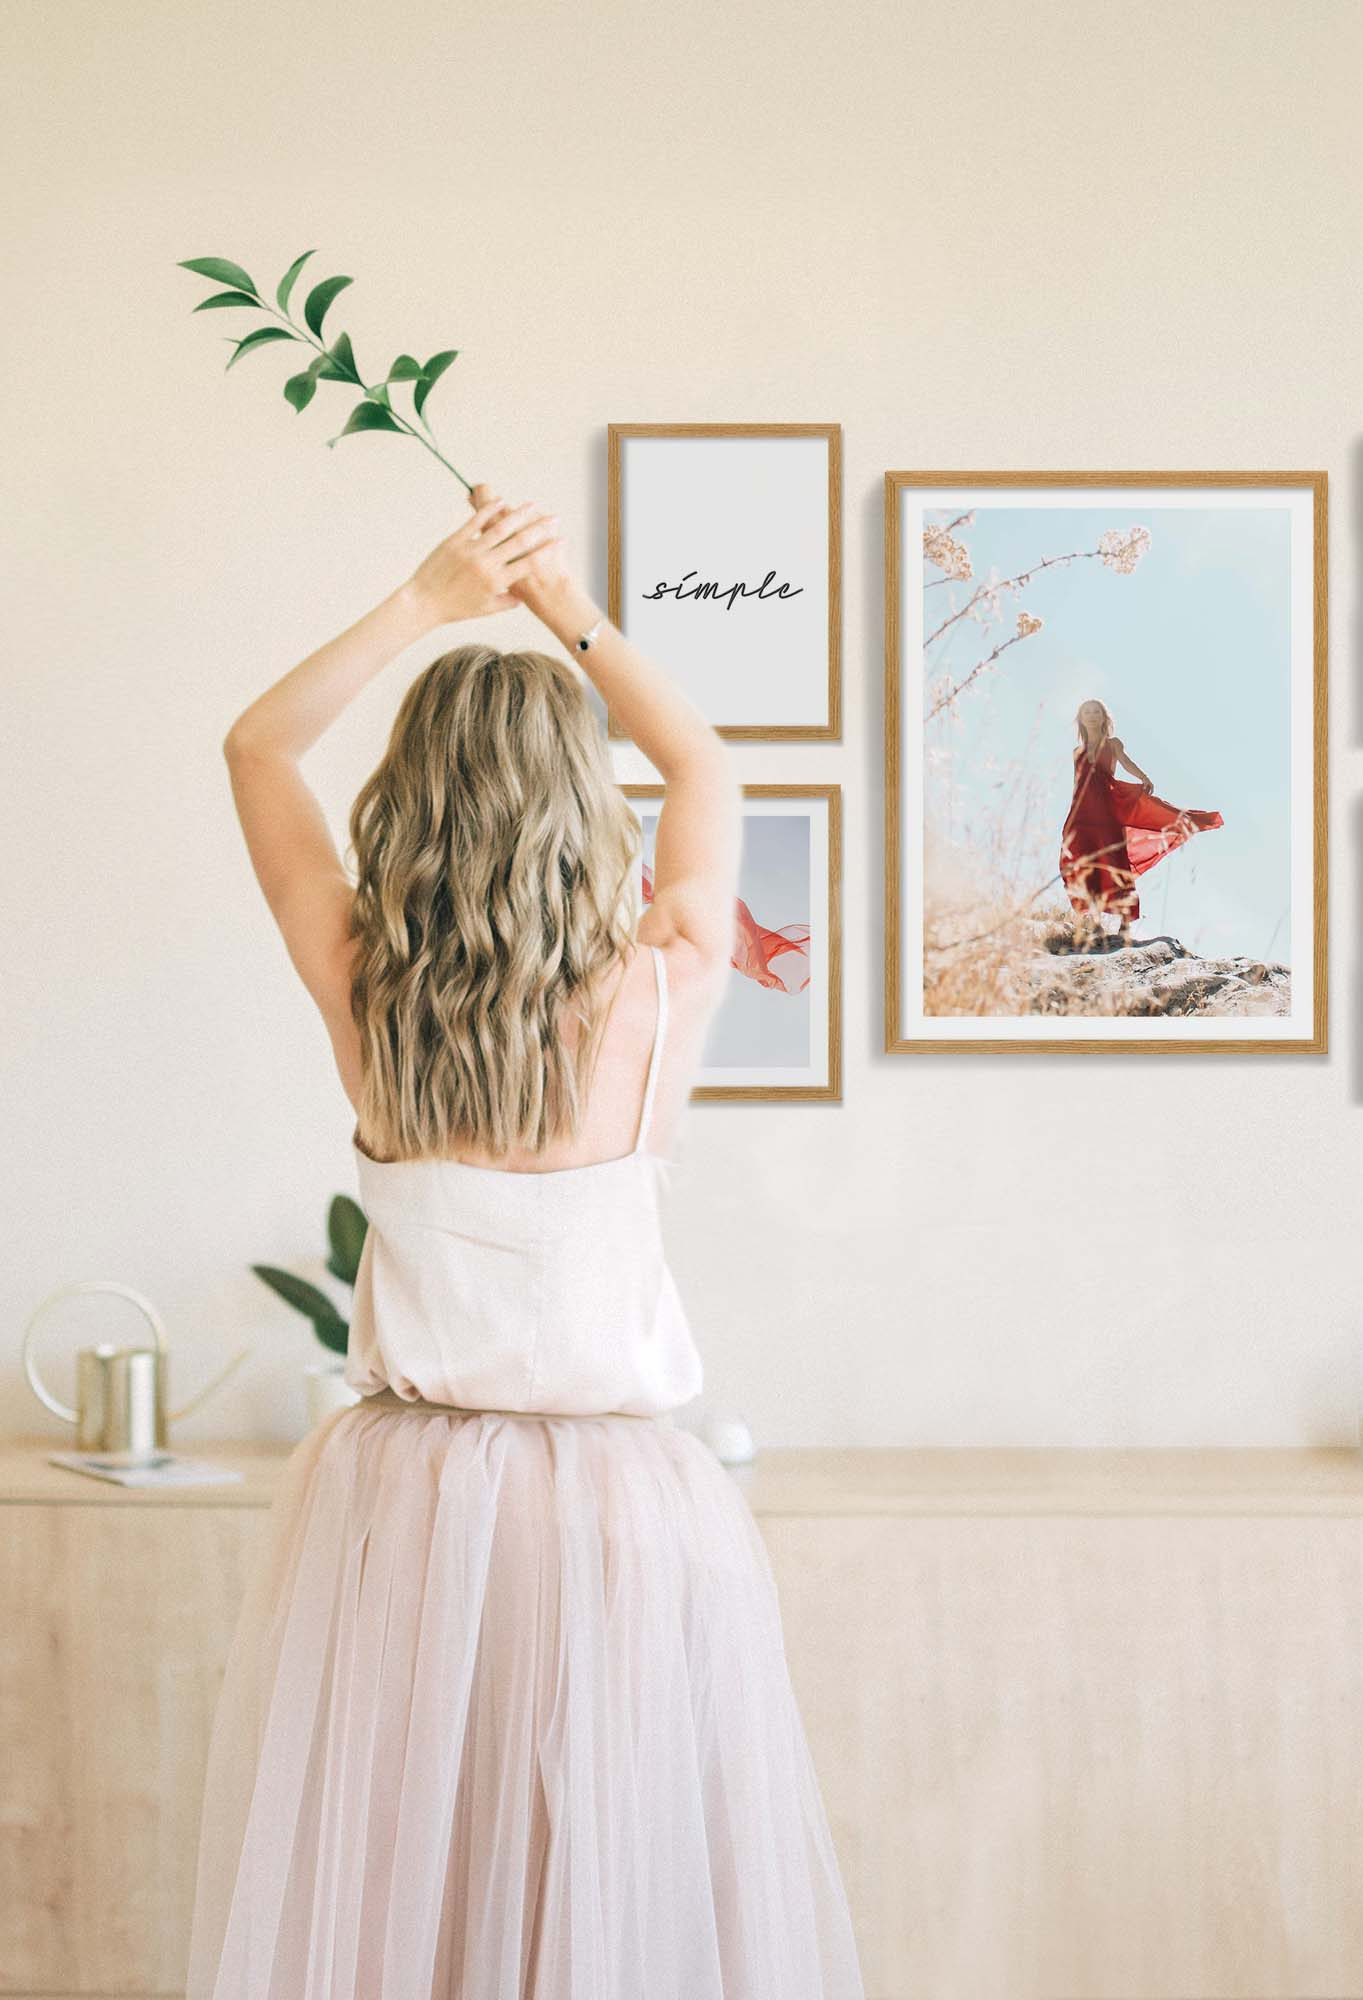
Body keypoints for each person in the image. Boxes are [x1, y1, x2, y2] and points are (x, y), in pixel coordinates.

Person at [185, 488, 864, 1999]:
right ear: (579, 805)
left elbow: (257, 748)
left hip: (403, 1500)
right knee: (592, 1885)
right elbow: (704, 761)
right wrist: (564, 603)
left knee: (413, 1886)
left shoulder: (365, 985)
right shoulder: (660, 985)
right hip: (614, 1504)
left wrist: (428, 601)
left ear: (410, 804)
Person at [1057, 697, 1221, 947]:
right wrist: (1071, 817)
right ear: (1080, 718)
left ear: (1103, 717)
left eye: (1096, 711)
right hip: (1082, 815)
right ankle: (1094, 921)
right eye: (1086, 712)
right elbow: (1077, 785)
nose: (1091, 715)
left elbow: (1126, 763)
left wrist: (1143, 777)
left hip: (1107, 813)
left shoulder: (1113, 744)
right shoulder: (1076, 753)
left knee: (1113, 862)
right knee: (1083, 861)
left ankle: (1125, 924)